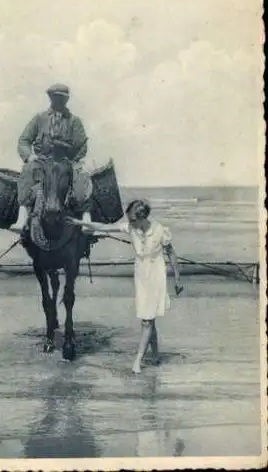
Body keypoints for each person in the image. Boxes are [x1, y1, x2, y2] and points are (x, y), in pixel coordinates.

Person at [68, 199, 183, 374]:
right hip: (140, 275)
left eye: (132, 220)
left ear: (142, 217)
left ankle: (137, 361)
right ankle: (156, 355)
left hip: (156, 276)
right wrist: (81, 222)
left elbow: (172, 255)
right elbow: (104, 227)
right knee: (148, 317)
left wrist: (177, 280)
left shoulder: (160, 231)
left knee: (147, 320)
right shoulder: (130, 227)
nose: (129, 223)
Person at [12, 83, 93, 232]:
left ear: (67, 100)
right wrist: (29, 157)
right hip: (42, 161)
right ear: (50, 98)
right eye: (55, 97)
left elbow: (82, 146)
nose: (59, 101)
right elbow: (24, 140)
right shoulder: (39, 118)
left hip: (67, 162)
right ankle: (22, 216)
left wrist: (73, 159)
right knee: (26, 171)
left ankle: (86, 219)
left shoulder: (74, 121)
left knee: (83, 174)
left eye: (62, 98)